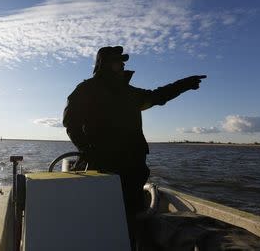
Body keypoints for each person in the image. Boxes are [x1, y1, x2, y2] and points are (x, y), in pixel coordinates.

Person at [63, 46, 206, 244]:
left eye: (122, 62)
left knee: (133, 219)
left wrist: (183, 85)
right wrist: (87, 150)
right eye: (117, 61)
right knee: (103, 219)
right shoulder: (86, 90)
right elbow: (71, 123)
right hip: (104, 168)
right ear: (103, 64)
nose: (122, 65)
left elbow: (158, 96)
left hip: (134, 168)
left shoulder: (129, 93)